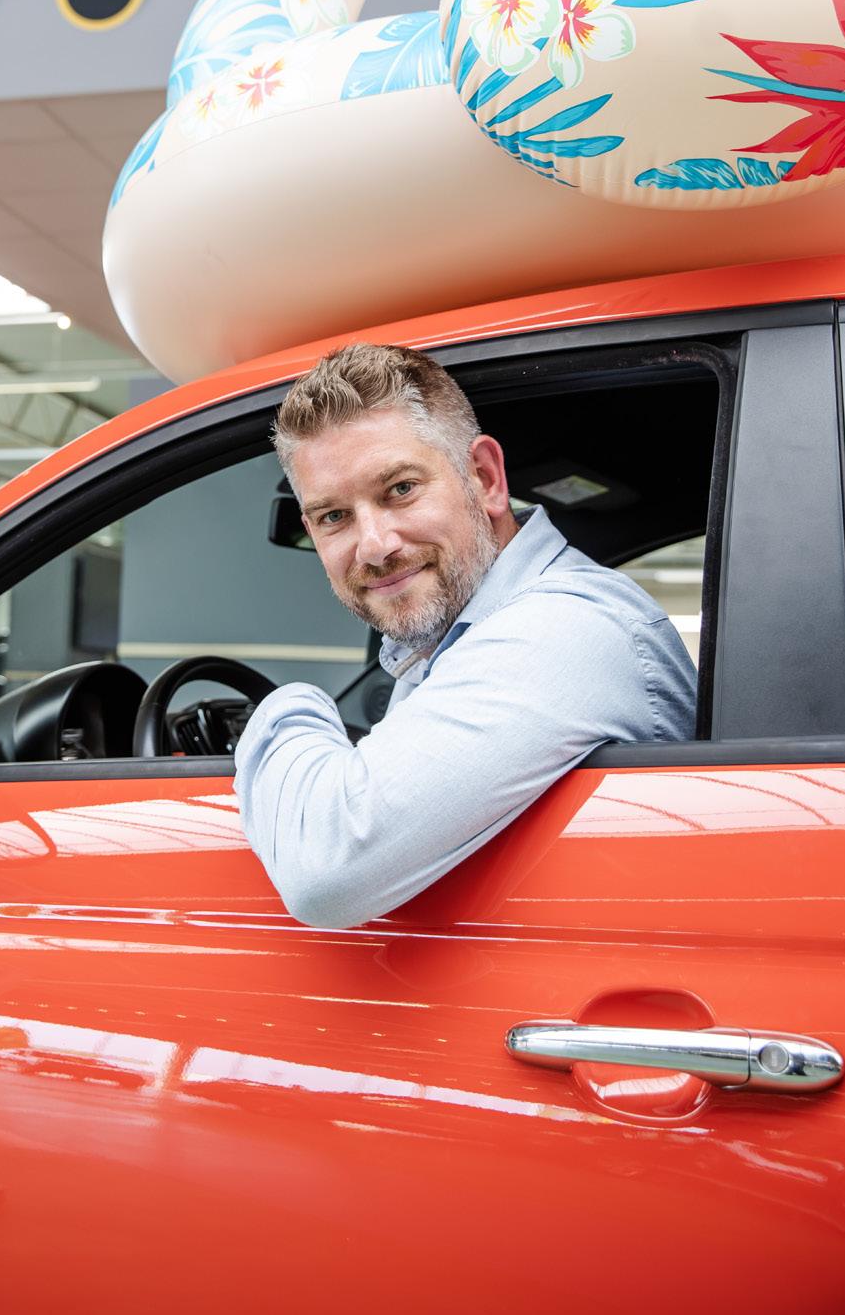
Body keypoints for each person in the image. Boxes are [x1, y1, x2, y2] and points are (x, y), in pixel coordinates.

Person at [233, 342, 696, 928]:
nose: (374, 546)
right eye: (334, 517)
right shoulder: (458, 633)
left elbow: (326, 870)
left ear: (484, 478)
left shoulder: (564, 628)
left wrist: (283, 710)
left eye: (400, 489)